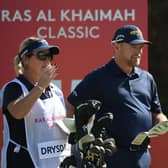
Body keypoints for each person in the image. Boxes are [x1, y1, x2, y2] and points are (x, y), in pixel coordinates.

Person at [66, 25, 168, 168]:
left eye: (140, 47)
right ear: (116, 46)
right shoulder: (99, 77)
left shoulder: (147, 78)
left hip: (142, 156)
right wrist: (73, 147)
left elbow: (157, 114)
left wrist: (162, 123)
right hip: (111, 157)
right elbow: (71, 105)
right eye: (134, 46)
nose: (139, 51)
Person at [1, 37, 71, 168]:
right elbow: (17, 112)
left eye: (49, 56)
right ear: (26, 59)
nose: (47, 61)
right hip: (23, 162)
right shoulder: (14, 87)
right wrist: (40, 86)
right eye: (41, 55)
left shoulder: (56, 91)